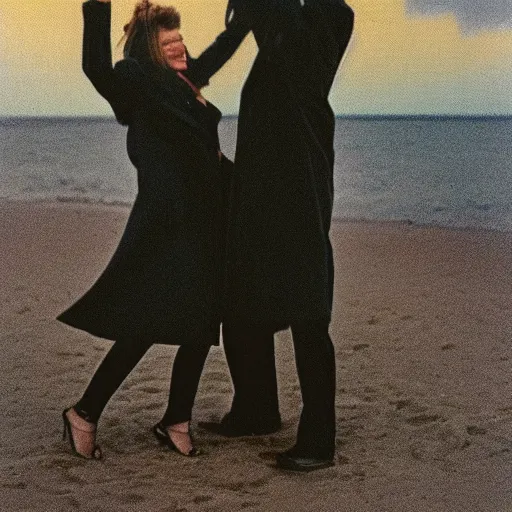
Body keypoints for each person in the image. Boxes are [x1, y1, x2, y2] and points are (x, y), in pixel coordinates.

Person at [58, 0, 248, 459]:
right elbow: (95, 66)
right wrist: (99, 7)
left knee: (201, 322)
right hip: (168, 222)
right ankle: (84, 412)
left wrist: (245, 19)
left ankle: (176, 419)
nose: (180, 46)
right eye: (169, 42)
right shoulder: (137, 82)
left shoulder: (183, 82)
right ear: (150, 50)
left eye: (180, 38)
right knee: (145, 319)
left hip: (206, 219)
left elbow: (218, 55)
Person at [200, 0, 354, 472]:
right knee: (241, 299)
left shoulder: (319, 30)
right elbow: (250, 20)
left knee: (308, 310)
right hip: (261, 191)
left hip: (299, 190)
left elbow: (269, 12)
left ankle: (318, 437)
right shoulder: (279, 46)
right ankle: (256, 408)